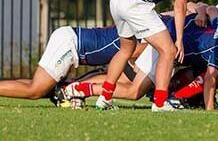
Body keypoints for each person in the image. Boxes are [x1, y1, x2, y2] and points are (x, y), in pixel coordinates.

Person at [65, 10, 218, 111]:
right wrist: (210, 109)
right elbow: (210, 79)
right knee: (134, 91)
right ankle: (78, 89)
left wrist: (201, 14)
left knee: (127, 77)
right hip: (164, 47)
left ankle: (78, 88)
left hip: (163, 35)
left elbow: (211, 9)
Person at [97, 0, 200, 111]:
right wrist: (179, 39)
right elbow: (180, 5)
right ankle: (160, 102)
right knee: (169, 50)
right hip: (135, 3)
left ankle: (105, 97)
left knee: (126, 49)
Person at [0, 24, 143, 103]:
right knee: (35, 90)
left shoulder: (143, 25)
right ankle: (71, 90)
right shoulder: (151, 34)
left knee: (41, 85)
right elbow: (131, 57)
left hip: (70, 39)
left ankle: (69, 90)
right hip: (70, 44)